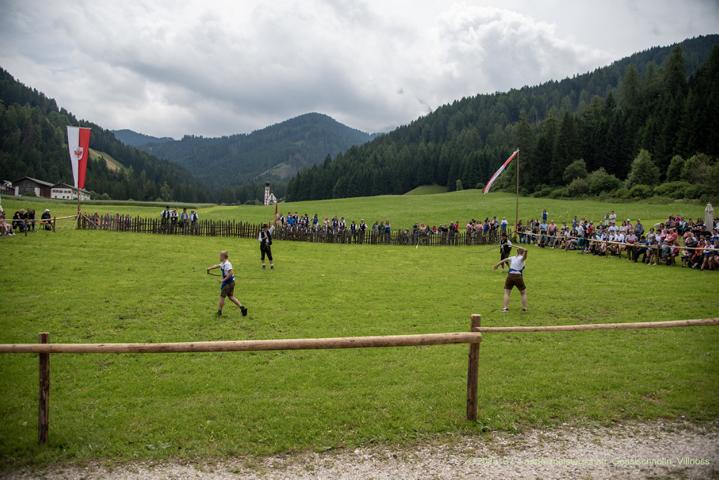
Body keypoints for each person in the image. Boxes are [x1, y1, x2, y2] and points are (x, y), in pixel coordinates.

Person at [207, 250, 247, 318]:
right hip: (231, 283)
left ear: (223, 256)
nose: (219, 257)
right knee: (231, 296)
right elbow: (218, 265)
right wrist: (209, 268)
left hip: (227, 283)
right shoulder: (223, 263)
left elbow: (230, 273)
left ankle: (219, 312)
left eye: (220, 256)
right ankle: (242, 308)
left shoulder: (227, 264)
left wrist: (223, 280)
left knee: (222, 297)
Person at [493, 247, 528, 312]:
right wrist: (526, 252)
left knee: (507, 293)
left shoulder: (512, 258)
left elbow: (504, 260)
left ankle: (505, 308)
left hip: (510, 276)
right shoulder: (521, 258)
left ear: (517, 252)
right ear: (522, 253)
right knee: (523, 293)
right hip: (518, 276)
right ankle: (524, 308)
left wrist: (497, 265)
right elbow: (525, 257)